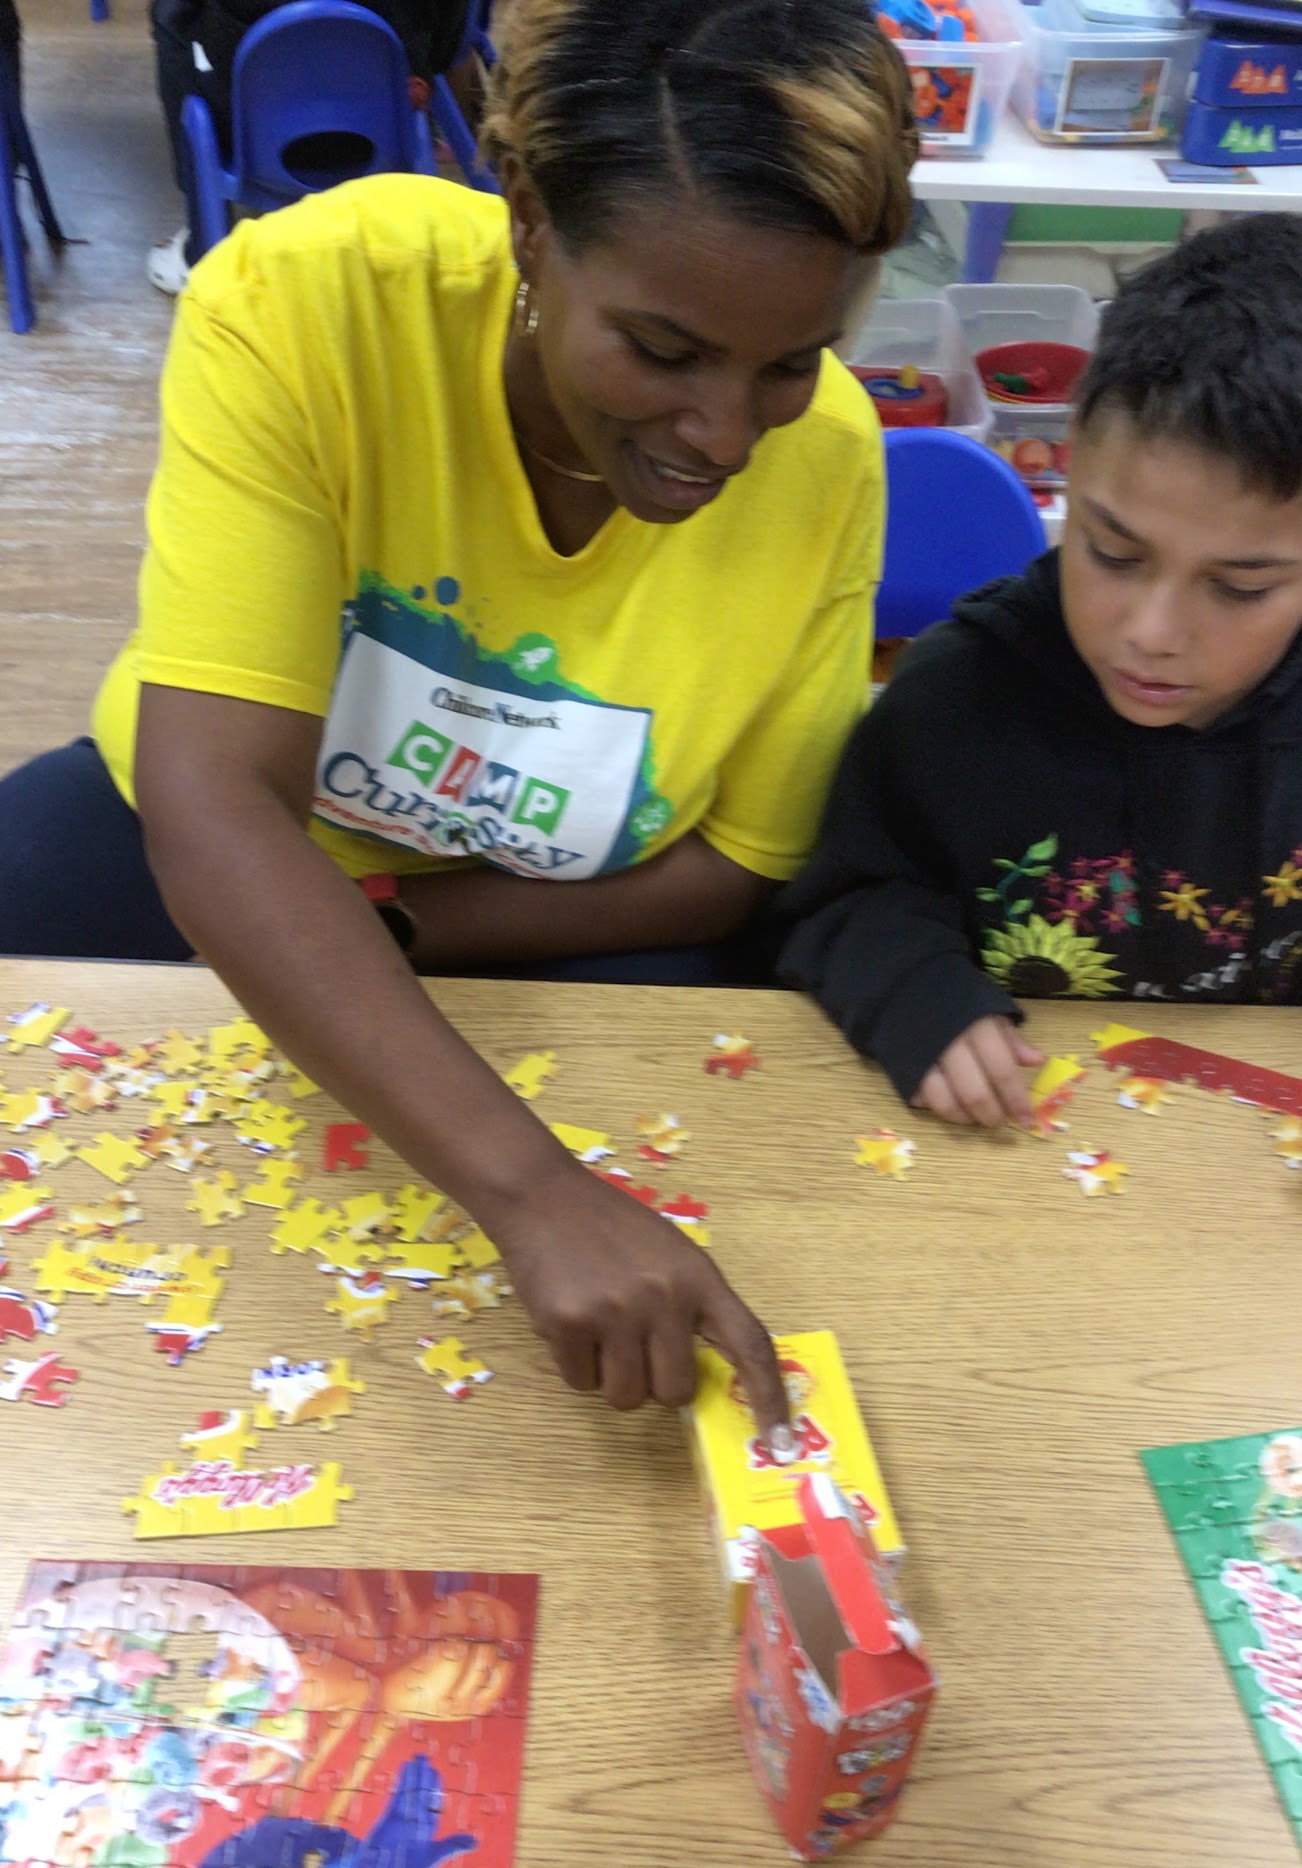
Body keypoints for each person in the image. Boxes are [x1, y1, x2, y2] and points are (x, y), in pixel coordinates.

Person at [0, 0, 917, 1435]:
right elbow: (213, 798)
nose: (728, 436)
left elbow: (739, 865)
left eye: (792, 362)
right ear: (530, 222)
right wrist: (535, 1191)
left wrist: (404, 928)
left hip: (577, 913)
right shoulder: (307, 299)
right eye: (663, 350)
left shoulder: (833, 462)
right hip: (222, 849)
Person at [780, 212, 1302, 1192]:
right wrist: (914, 993)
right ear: (1073, 458)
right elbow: (847, 896)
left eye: (1239, 587)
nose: (1152, 632)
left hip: (1265, 1189)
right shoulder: (951, 697)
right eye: (1114, 553)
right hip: (1000, 1165)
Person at [146, 0, 473, 294]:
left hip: (251, 134)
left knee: (170, 15)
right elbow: (448, 40)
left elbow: (179, 17)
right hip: (387, 127)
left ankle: (202, 241)